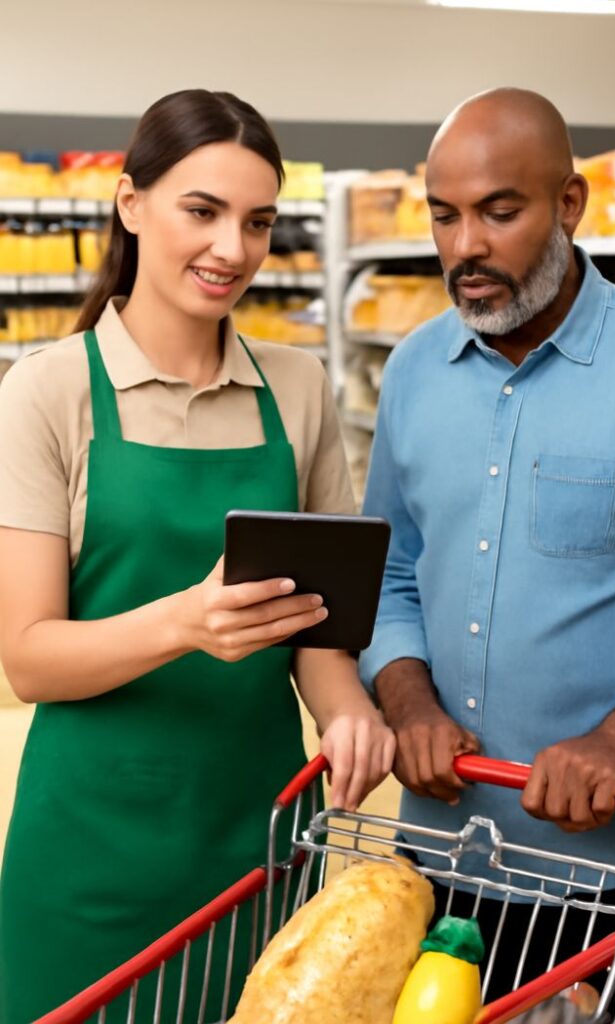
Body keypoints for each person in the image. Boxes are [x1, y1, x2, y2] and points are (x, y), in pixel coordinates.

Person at [0, 89, 395, 1024]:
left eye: (257, 222)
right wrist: (184, 620)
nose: (233, 249)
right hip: (87, 854)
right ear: (131, 206)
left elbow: (319, 633)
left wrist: (349, 718)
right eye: (202, 211)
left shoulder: (296, 389)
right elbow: (27, 658)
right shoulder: (46, 391)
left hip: (255, 841)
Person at [359, 88, 615, 1019]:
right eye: (444, 215)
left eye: (500, 212)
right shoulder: (413, 370)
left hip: (613, 884)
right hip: (436, 861)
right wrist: (407, 698)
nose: (466, 248)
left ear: (569, 205)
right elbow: (391, 572)